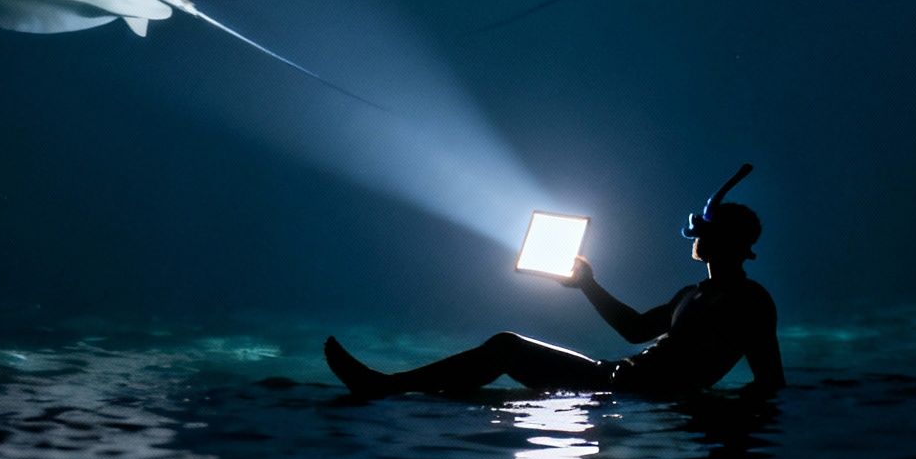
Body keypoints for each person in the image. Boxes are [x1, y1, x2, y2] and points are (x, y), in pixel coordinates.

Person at [324, 177, 785, 398]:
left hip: (629, 390)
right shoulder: (691, 295)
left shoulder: (750, 301)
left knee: (505, 348)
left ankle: (386, 388)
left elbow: (769, 380)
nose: (697, 237)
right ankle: (396, 388)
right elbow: (634, 329)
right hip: (616, 376)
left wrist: (704, 406)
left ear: (731, 243)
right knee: (501, 354)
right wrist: (588, 283)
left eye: (707, 230)